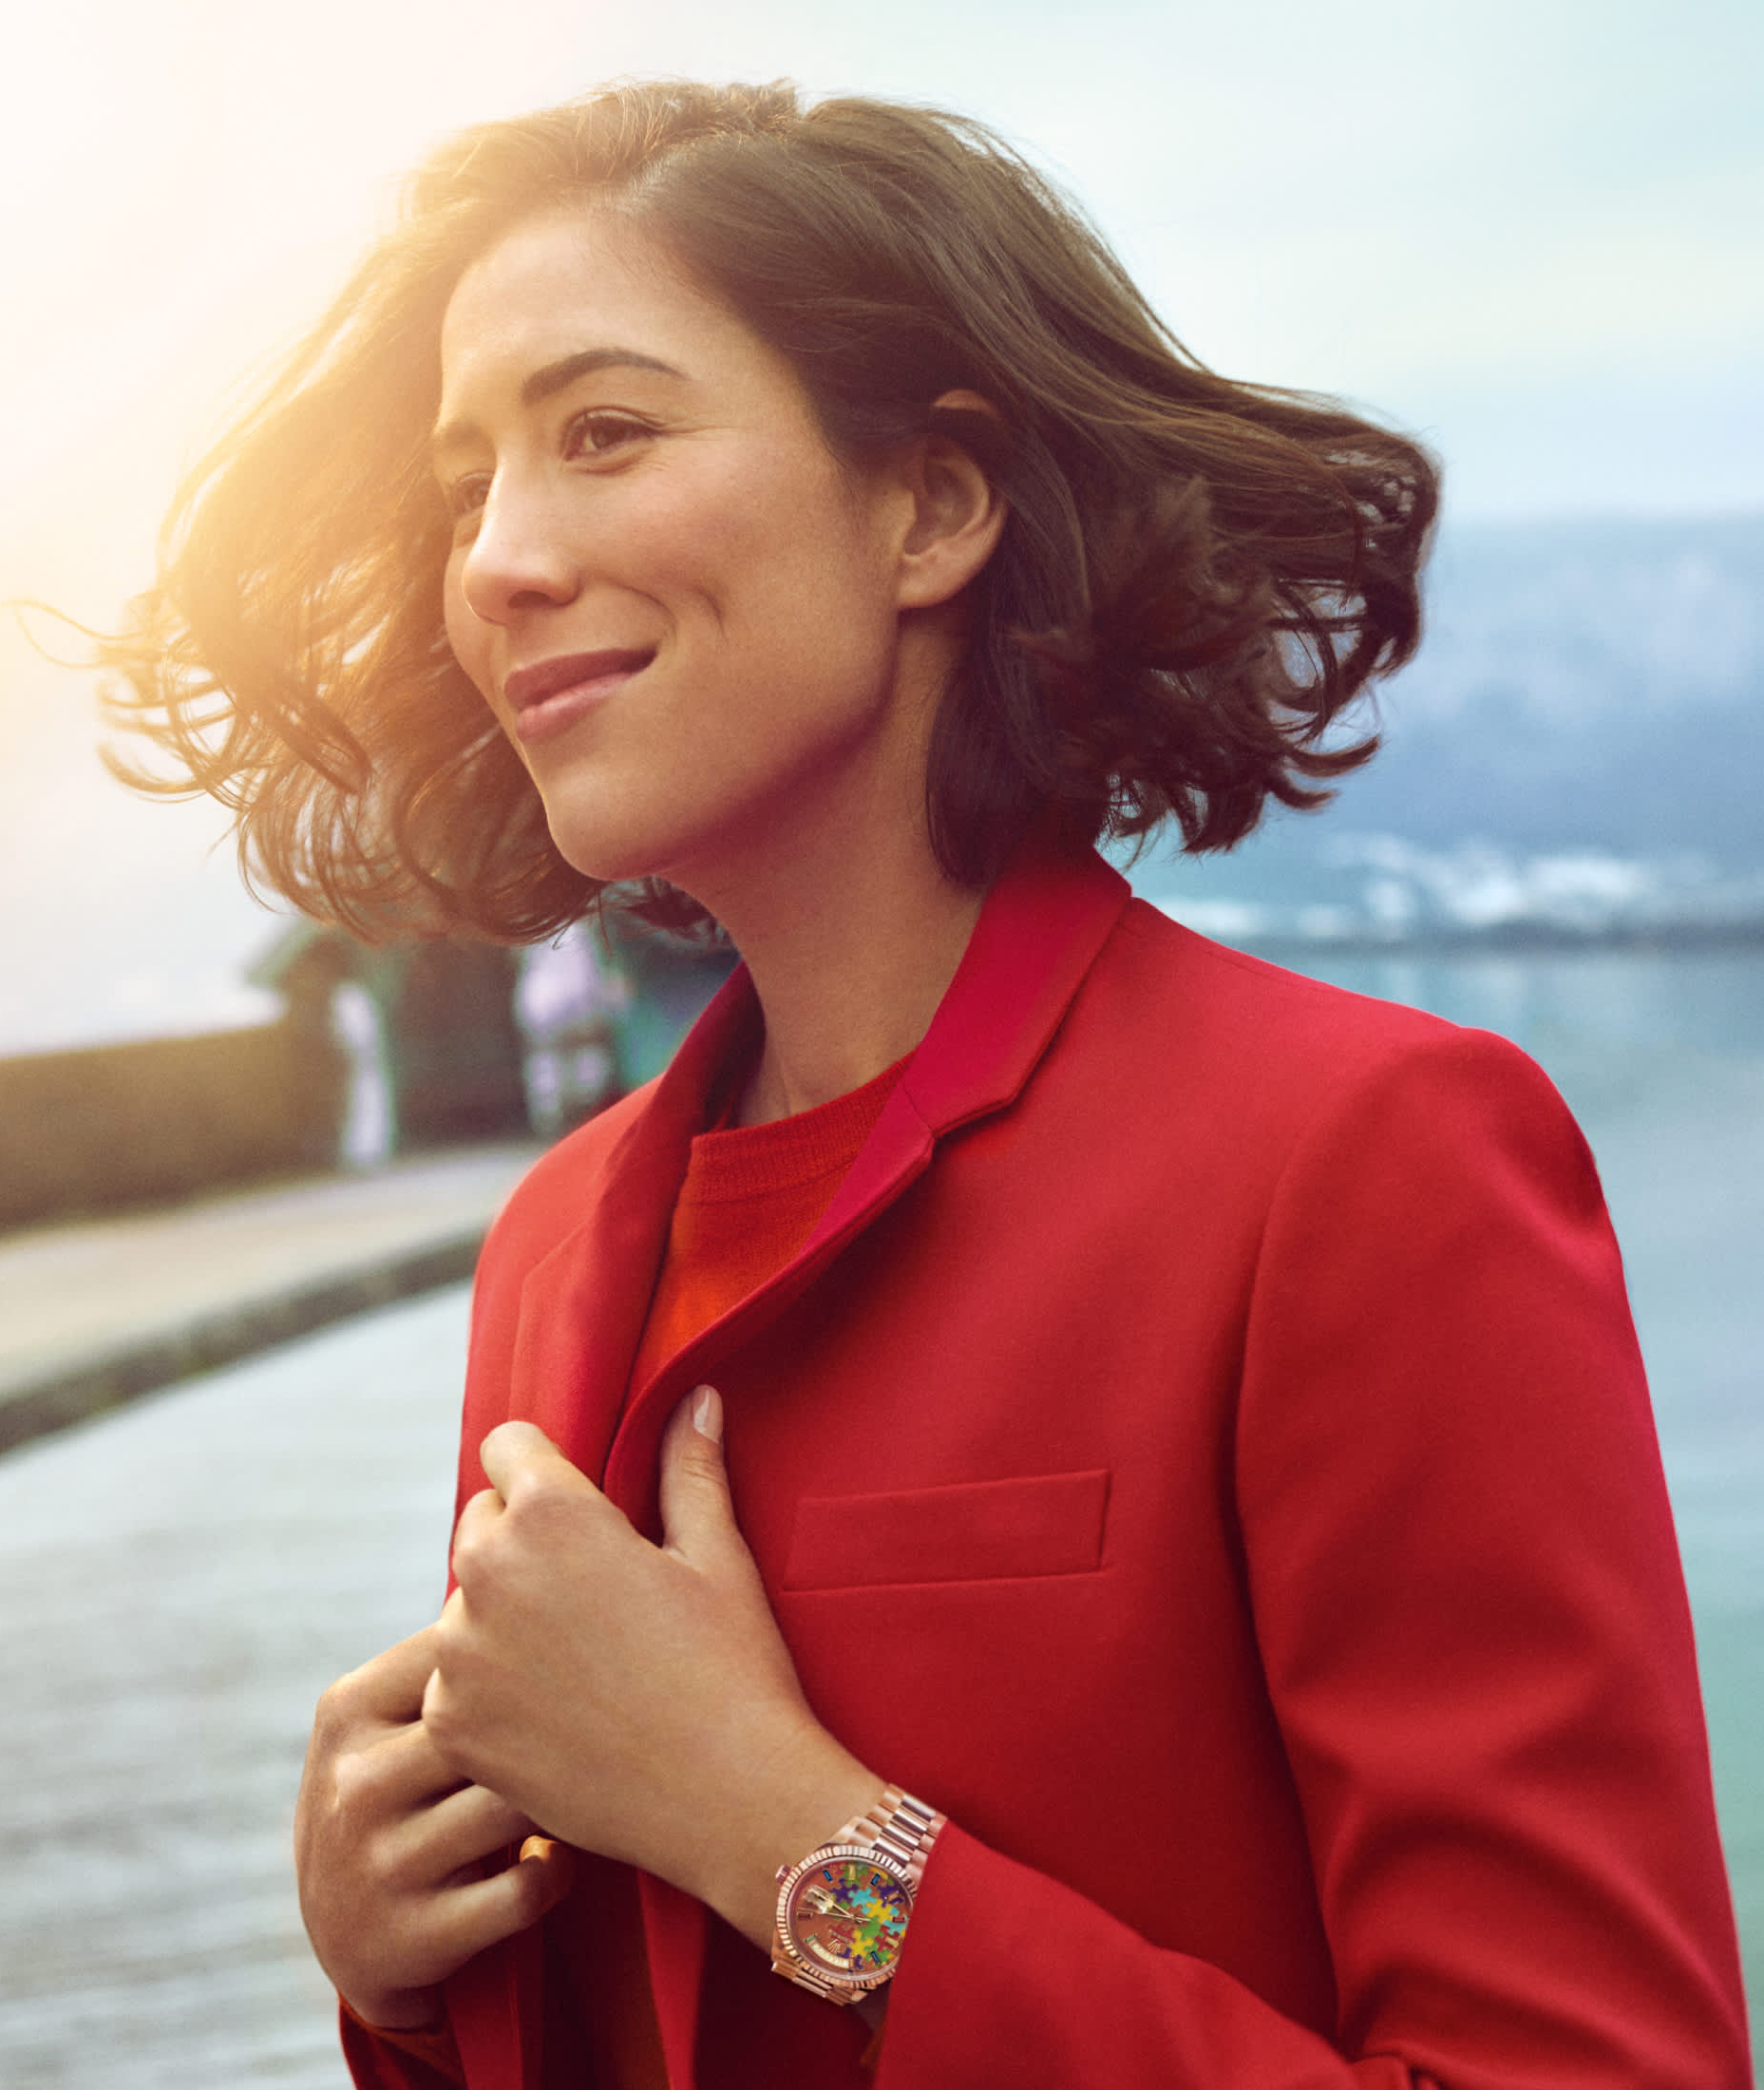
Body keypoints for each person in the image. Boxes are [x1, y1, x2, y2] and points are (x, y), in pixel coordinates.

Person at [99, 79, 1750, 2090]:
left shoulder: (1355, 1160)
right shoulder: (558, 1238)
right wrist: (404, 1969)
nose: (502, 560)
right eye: (466, 487)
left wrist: (787, 1830)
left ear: (934, 510)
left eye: (602, 432)